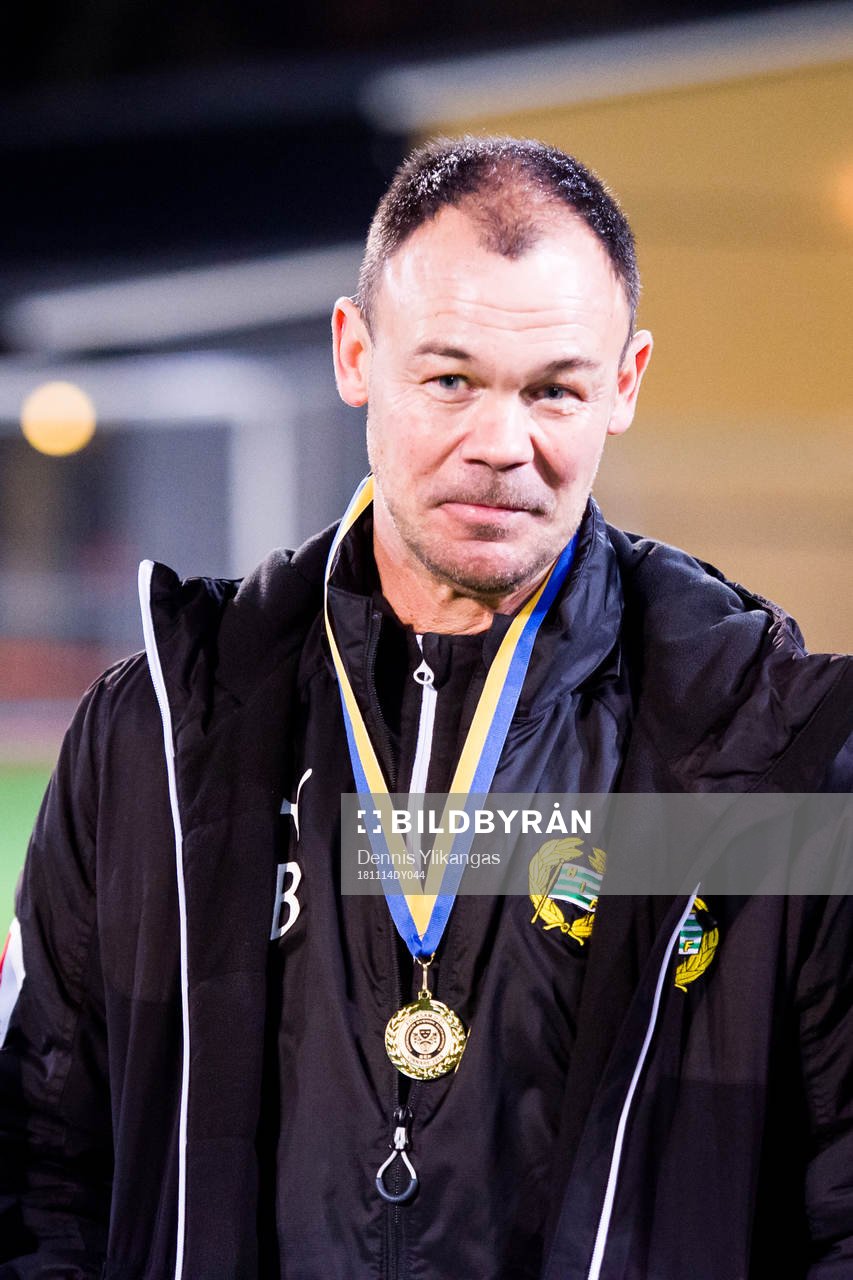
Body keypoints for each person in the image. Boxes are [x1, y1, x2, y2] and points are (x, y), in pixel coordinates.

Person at [0, 136, 851, 1280]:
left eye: (555, 388)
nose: (502, 444)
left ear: (627, 383)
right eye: (449, 379)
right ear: (357, 352)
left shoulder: (766, 750)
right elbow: (43, 1174)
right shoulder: (153, 737)